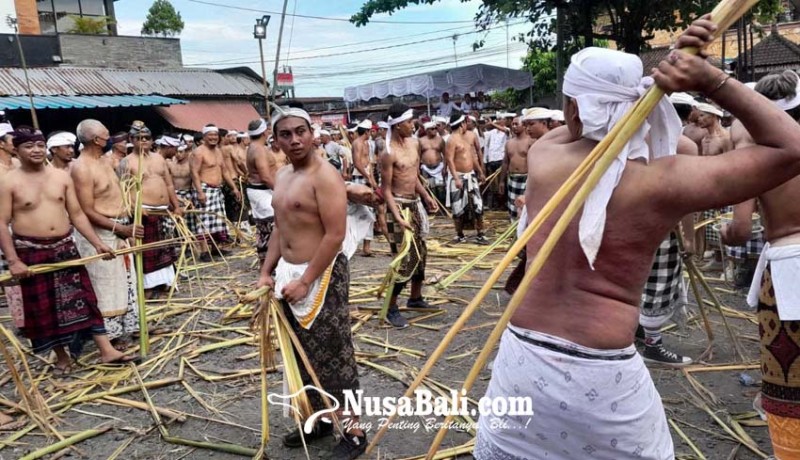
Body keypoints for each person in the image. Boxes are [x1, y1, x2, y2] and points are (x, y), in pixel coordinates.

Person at [474, 18, 800, 460]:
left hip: (522, 356)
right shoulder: (662, 181)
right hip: (600, 372)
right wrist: (710, 81)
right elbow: (791, 149)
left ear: (572, 107)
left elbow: (574, 126)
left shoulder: (544, 155)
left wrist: (655, 83)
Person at [255, 103, 365, 459]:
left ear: (312, 133)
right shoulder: (284, 175)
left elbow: (335, 236)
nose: (294, 140)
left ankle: (353, 433)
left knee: (334, 355)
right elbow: (279, 228)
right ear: (276, 140)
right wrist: (266, 271)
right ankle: (316, 419)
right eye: (285, 134)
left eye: (300, 132)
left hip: (321, 274)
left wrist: (305, 280)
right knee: (300, 355)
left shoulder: (325, 176)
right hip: (290, 273)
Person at [0, 126, 137, 374]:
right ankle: (62, 357)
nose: (36, 150)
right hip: (31, 251)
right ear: (16, 151)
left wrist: (97, 242)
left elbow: (76, 214)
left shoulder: (61, 177)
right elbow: (1, 222)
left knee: (86, 298)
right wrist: (13, 260)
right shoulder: (8, 181)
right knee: (44, 308)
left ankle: (106, 350)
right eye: (28, 146)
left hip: (65, 246)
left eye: (39, 145)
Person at [716, 70, 800, 458]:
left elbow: (739, 227)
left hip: (789, 266)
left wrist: (723, 233)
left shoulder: (757, 151)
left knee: (789, 378)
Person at [71, 119, 142, 348]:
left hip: (119, 228)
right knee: (105, 285)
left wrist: (126, 225)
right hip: (101, 233)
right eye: (106, 134)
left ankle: (128, 329)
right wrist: (119, 228)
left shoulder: (105, 160)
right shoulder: (81, 168)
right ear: (96, 139)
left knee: (125, 282)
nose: (109, 137)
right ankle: (110, 337)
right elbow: (86, 210)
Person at [381, 103, 439, 328]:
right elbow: (385, 189)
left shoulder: (414, 143)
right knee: (404, 259)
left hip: (414, 205)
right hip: (398, 206)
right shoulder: (388, 152)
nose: (412, 125)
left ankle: (415, 298)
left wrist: (426, 196)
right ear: (396, 126)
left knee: (421, 254)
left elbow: (412, 176)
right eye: (408, 122)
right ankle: (391, 307)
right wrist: (397, 217)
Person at [119, 121, 182, 298]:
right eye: (139, 138)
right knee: (147, 252)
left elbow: (169, 184)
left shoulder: (159, 158)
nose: (144, 141)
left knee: (165, 249)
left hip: (164, 211)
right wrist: (135, 207)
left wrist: (176, 206)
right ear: (132, 140)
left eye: (147, 138)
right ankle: (147, 288)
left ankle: (164, 284)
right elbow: (122, 190)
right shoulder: (126, 162)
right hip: (144, 212)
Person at [190, 124, 239, 258]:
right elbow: (194, 172)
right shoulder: (199, 152)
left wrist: (234, 188)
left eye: (215, 135)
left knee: (218, 220)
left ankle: (216, 247)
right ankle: (204, 251)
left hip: (217, 190)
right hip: (205, 189)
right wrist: (199, 192)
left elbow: (224, 171)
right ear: (204, 137)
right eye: (210, 135)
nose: (213, 138)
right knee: (204, 221)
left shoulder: (218, 151)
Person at [445, 111, 488, 244]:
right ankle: (460, 234)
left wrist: (480, 171)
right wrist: (456, 178)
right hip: (458, 177)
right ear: (461, 124)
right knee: (458, 207)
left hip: (471, 176)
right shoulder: (451, 140)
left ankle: (480, 233)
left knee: (478, 205)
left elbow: (471, 157)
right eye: (465, 122)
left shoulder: (465, 138)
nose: (466, 125)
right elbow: (450, 160)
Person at [245, 118, 277, 263]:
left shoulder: (255, 147)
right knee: (268, 225)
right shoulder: (258, 150)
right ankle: (267, 262)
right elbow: (264, 176)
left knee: (270, 224)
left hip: (263, 191)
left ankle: (271, 261)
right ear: (265, 132)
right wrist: (280, 191)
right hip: (261, 191)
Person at [500, 114, 536, 220]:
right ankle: (516, 232)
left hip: (526, 178)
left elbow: (534, 162)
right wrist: (502, 181)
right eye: (513, 124)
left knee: (525, 207)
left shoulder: (531, 141)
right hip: (512, 178)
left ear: (524, 125)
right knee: (513, 207)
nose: (514, 126)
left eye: (517, 124)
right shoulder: (509, 143)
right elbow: (505, 162)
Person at [483, 113, 513, 209]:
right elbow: (482, 135)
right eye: (498, 119)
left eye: (501, 119)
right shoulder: (491, 132)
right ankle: (496, 205)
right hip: (492, 160)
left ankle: (503, 204)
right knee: (493, 185)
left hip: (501, 161)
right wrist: (484, 124)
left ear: (505, 121)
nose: (499, 121)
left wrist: (492, 123)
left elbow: (505, 130)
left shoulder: (507, 130)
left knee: (502, 183)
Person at [419, 121, 447, 209]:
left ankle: (442, 207)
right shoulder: (421, 141)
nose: (435, 130)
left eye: (435, 128)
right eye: (432, 129)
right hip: (426, 168)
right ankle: (431, 207)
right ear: (427, 130)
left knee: (441, 188)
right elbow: (417, 156)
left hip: (439, 166)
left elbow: (445, 154)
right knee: (429, 188)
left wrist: (445, 167)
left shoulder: (440, 140)